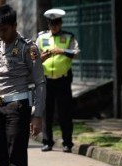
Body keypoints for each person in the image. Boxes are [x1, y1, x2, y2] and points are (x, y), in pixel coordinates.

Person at [0, 4, 46, 166]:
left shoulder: (27, 48)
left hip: (18, 107)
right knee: (2, 156)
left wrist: (38, 114)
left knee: (16, 157)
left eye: (4, 29)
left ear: (14, 26)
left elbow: (40, 82)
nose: (0, 34)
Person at [36, 9, 80, 153]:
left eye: (56, 23)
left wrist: (62, 51)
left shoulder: (69, 37)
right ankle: (47, 142)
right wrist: (42, 56)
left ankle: (67, 143)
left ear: (60, 23)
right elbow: (33, 55)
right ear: (48, 24)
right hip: (46, 80)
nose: (54, 26)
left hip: (63, 80)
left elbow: (76, 53)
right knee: (46, 112)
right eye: (51, 24)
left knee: (65, 112)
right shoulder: (41, 38)